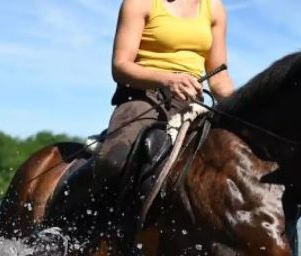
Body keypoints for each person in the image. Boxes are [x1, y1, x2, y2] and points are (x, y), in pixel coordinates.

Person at [93, 0, 235, 193]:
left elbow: (218, 77)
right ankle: (85, 217)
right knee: (115, 159)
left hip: (191, 101)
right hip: (144, 96)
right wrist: (168, 80)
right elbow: (120, 67)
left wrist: (240, 108)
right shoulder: (138, 3)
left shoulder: (214, 8)